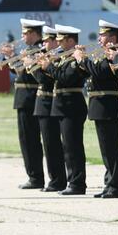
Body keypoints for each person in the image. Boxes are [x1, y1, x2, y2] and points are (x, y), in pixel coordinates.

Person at [77, 19, 118, 198]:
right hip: (99, 106)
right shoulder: (102, 54)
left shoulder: (114, 54)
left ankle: (116, 186)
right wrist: (81, 62)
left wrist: (83, 59)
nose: (99, 39)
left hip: (108, 106)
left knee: (111, 148)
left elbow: (99, 72)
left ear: (112, 37)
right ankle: (109, 183)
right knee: (106, 149)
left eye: (102, 35)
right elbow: (89, 73)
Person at [41, 24, 88, 195]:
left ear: (70, 40)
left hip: (72, 105)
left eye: (62, 40)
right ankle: (71, 181)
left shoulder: (75, 58)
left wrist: (50, 67)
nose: (59, 44)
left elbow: (66, 78)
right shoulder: (62, 56)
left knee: (73, 146)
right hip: (62, 105)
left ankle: (77, 183)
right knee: (67, 147)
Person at [2, 19, 45, 189]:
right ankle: (33, 175)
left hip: (31, 98)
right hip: (23, 98)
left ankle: (36, 178)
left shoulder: (40, 50)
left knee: (32, 140)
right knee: (26, 140)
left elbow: (28, 73)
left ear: (35, 34)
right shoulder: (28, 50)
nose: (22, 36)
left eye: (26, 33)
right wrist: (11, 57)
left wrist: (17, 59)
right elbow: (18, 70)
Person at [24, 26, 67, 191]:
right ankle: (54, 179)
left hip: (50, 102)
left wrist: (32, 67)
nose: (44, 43)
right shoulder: (48, 57)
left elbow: (45, 80)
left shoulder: (55, 59)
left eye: (47, 40)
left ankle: (58, 180)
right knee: (48, 145)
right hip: (42, 103)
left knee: (53, 144)